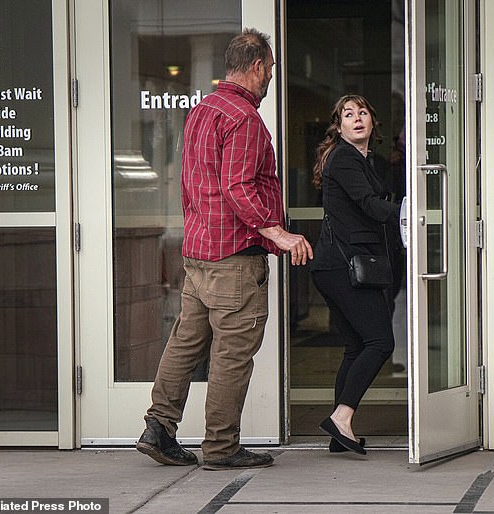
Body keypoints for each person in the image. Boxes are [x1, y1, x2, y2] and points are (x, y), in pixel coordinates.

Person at [136, 28, 313, 471]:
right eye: (271, 68)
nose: (271, 75)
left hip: (198, 253)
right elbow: (238, 187)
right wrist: (279, 233)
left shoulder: (202, 111)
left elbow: (192, 181)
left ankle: (158, 427)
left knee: (185, 343)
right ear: (257, 67)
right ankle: (221, 447)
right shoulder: (244, 118)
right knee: (232, 354)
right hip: (234, 257)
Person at [309, 95, 400, 455]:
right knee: (380, 343)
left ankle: (339, 437)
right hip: (341, 266)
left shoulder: (369, 160)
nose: (357, 118)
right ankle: (342, 418)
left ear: (372, 122)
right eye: (349, 115)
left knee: (355, 347)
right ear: (339, 126)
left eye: (363, 112)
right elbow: (370, 205)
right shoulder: (345, 158)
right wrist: (409, 212)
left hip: (338, 266)